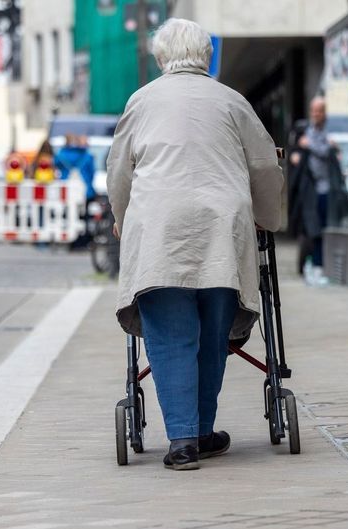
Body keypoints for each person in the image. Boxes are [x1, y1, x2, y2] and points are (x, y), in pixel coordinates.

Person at [107, 18, 283, 471]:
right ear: (206, 55)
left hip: (160, 231)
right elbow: (264, 166)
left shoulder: (142, 101)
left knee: (170, 336)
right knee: (211, 335)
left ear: (161, 57)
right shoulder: (231, 100)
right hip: (222, 231)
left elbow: (119, 171)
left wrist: (120, 218)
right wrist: (268, 218)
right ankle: (202, 431)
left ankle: (183, 440)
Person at [289, 97, 345, 283]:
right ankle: (310, 266)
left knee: (321, 229)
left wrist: (315, 146)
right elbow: (295, 152)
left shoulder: (325, 135)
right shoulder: (305, 132)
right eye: (313, 111)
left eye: (319, 111)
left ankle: (318, 267)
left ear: (324, 113)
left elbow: (325, 151)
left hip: (325, 189)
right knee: (309, 229)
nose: (315, 114)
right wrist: (296, 155)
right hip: (309, 190)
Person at [55, 134, 96, 249]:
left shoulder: (61, 154)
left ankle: (69, 239)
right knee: (84, 217)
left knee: (67, 215)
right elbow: (92, 173)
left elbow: (56, 166)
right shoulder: (87, 156)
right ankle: (82, 240)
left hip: (66, 190)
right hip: (84, 190)